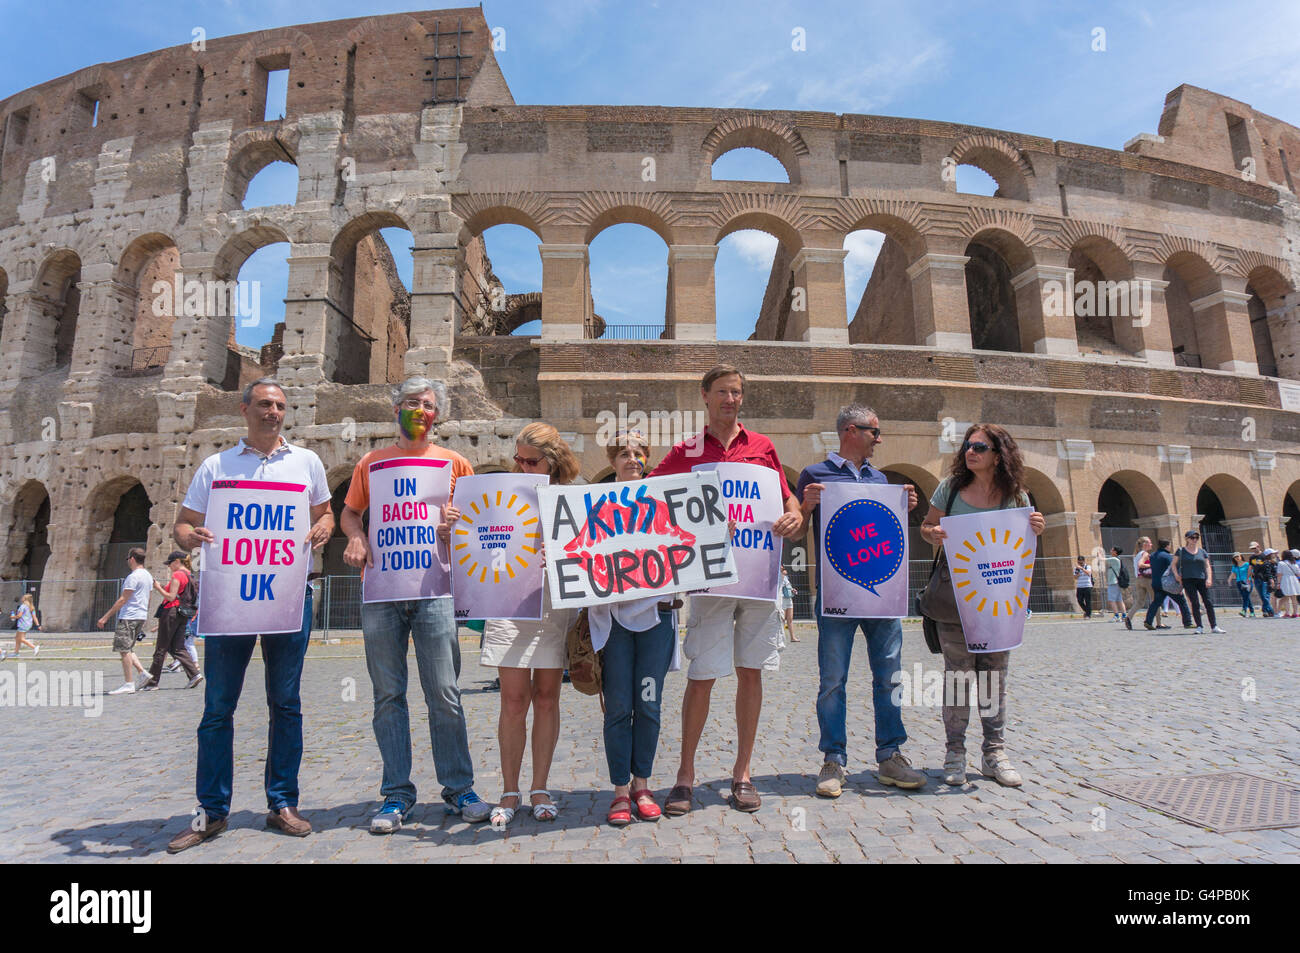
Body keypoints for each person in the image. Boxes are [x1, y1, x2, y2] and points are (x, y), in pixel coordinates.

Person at [165, 378, 334, 853]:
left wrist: (321, 527)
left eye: (280, 405)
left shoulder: (307, 462)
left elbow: (324, 512)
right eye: (263, 404)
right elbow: (183, 524)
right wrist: (190, 538)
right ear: (245, 410)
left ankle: (282, 802)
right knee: (218, 706)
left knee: (286, 702)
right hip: (229, 598)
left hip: (286, 593)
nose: (272, 412)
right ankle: (212, 811)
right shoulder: (216, 465)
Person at [648, 363, 804, 815]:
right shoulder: (686, 450)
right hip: (711, 578)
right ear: (704, 396)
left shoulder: (763, 447)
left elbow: (785, 496)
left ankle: (743, 773)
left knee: (751, 671)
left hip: (758, 578)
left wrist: (794, 513)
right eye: (722, 391)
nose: (730, 399)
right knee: (702, 675)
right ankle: (684, 775)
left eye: (736, 392)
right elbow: (648, 496)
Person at [342, 376, 491, 833]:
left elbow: (477, 518)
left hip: (436, 591)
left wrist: (456, 525)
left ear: (437, 414)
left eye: (427, 404)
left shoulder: (455, 463)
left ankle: (458, 786)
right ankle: (395, 795)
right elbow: (350, 511)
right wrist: (355, 536)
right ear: (396, 410)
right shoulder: (371, 462)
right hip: (383, 592)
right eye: (411, 403)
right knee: (388, 696)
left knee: (445, 693)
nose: (420, 411)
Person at [796, 404, 926, 798]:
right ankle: (833, 759)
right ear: (851, 431)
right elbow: (795, 530)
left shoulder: (880, 478)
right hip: (836, 598)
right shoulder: (814, 475)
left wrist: (906, 506)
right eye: (874, 431)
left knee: (889, 676)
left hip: (881, 597)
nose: (879, 439)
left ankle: (890, 755)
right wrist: (806, 506)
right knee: (832, 680)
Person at [921, 425, 1043, 787]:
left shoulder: (1017, 497)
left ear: (998, 454)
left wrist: (1037, 525)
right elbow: (927, 526)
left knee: (994, 678)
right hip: (957, 597)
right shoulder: (951, 489)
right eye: (968, 446)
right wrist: (934, 533)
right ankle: (954, 752)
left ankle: (994, 752)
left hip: (999, 600)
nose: (970, 451)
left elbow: (1024, 541)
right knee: (957, 676)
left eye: (979, 447)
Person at [479, 422, 580, 827]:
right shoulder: (500, 492)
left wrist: (557, 550)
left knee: (547, 698)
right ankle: (509, 788)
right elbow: (482, 537)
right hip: (508, 602)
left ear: (552, 461)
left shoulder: (573, 496)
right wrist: (458, 521)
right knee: (513, 700)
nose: (521, 467)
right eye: (517, 459)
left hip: (553, 604)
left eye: (530, 461)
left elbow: (586, 549)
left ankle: (539, 787)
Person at [594, 431, 681, 826]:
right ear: (612, 460)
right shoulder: (590, 504)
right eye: (624, 453)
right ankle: (618, 791)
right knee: (618, 707)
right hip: (612, 621)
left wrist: (718, 533)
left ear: (647, 459)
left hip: (656, 619)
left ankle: (642, 784)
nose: (632, 458)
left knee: (648, 705)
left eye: (639, 453)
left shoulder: (664, 501)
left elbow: (687, 543)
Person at [140, 552, 202, 690]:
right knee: (177, 647)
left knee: (161, 648)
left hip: (171, 612)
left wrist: (158, 587)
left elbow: (170, 597)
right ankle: (194, 674)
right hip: (183, 614)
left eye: (170, 563)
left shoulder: (177, 575)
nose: (169, 567)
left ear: (177, 562)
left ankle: (153, 682)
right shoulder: (190, 576)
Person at [96, 550, 152, 694]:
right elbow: (149, 598)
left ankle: (129, 683)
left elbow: (123, 599)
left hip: (129, 615)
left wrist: (105, 617)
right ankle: (142, 672)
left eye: (128, 558)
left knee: (123, 649)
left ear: (132, 559)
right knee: (128, 647)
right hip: (140, 615)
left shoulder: (133, 577)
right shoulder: (148, 576)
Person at [1173, 530, 1225, 634]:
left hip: (1201, 579)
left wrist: (1209, 578)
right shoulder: (1181, 551)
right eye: (1192, 537)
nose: (1195, 540)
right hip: (1188, 579)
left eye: (1197, 537)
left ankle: (1214, 626)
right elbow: (1173, 564)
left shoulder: (1202, 551)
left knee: (1208, 602)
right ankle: (1199, 626)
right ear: (1187, 539)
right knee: (1195, 603)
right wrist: (1176, 575)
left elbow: (1207, 566)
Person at [1144, 539, 1192, 630]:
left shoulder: (1153, 555)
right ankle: (1188, 622)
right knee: (1182, 601)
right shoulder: (1167, 556)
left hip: (1156, 583)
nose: (1170, 547)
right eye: (1169, 545)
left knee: (1156, 603)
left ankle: (1148, 621)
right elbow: (1174, 569)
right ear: (1166, 546)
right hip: (1167, 584)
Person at [1124, 537, 1154, 630]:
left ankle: (1129, 617)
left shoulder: (1136, 555)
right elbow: (1140, 565)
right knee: (1155, 601)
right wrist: (1152, 565)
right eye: (1150, 542)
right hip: (1147, 579)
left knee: (1139, 602)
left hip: (1138, 579)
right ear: (1145, 544)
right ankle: (1158, 622)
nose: (1151, 544)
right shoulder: (1145, 554)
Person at [9, 592, 41, 657]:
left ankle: (34, 647)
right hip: (28, 624)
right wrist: (38, 625)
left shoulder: (22, 606)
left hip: (22, 624)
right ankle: (16, 653)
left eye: (23, 597)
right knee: (17, 638)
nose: (22, 598)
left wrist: (13, 617)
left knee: (21, 639)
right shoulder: (31, 607)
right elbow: (34, 617)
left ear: (25, 599)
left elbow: (19, 616)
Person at [1249, 543, 1276, 618]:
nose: (1253, 550)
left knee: (1265, 596)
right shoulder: (1252, 557)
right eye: (1252, 549)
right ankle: (1265, 611)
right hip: (1256, 578)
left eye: (1254, 548)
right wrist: (1248, 577)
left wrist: (1271, 579)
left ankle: (1269, 611)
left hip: (1265, 578)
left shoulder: (1264, 556)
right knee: (1262, 596)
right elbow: (1250, 567)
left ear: (1259, 547)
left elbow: (1270, 567)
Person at [1276, 550, 1300, 617]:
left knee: (1286, 597)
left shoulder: (1281, 563)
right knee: (1294, 598)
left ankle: (1287, 613)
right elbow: (1298, 574)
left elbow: (1279, 574)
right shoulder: (1294, 563)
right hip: (1294, 580)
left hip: (1285, 579)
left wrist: (1278, 583)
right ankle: (1295, 613)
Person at [1231, 553, 1255, 618]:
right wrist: (1229, 580)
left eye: (1238, 556)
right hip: (1239, 582)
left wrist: (1250, 579)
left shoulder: (1247, 564)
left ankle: (1244, 610)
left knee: (1246, 596)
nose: (1237, 558)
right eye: (1235, 557)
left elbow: (1251, 572)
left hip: (1247, 582)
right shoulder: (1234, 566)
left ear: (1241, 556)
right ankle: (1252, 612)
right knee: (1245, 597)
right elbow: (1233, 574)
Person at [1105, 546, 1125, 621]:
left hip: (1113, 582)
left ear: (1115, 552)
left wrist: (1099, 553)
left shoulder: (1114, 559)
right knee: (1119, 600)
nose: (1110, 550)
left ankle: (1116, 616)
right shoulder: (1116, 559)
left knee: (1111, 600)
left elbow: (1102, 559)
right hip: (1116, 582)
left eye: (1112, 549)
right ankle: (1124, 615)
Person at [779, 568, 799, 642]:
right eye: (784, 569)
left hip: (789, 599)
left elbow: (788, 587)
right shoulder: (779, 578)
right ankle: (781, 638)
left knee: (790, 619)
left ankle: (792, 637)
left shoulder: (786, 578)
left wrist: (793, 590)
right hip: (783, 599)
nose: (786, 570)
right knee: (782, 619)